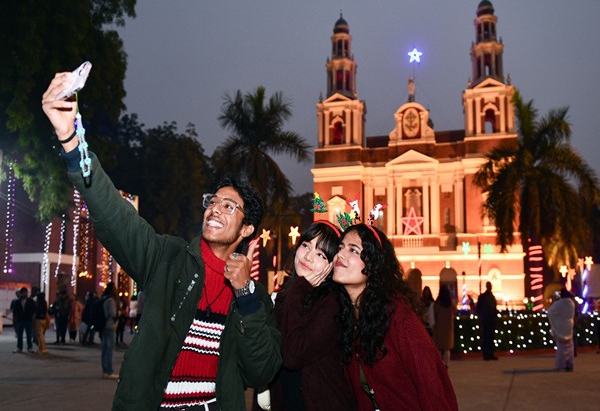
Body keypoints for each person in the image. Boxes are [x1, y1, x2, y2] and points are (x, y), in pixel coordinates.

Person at [41, 72, 281, 410]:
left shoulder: (254, 300)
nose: (214, 209)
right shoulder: (166, 259)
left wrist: (246, 297)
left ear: (247, 230)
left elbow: (261, 371)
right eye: (212, 201)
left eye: (229, 206)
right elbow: (114, 216)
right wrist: (70, 139)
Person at [332, 224, 457, 410]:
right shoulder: (347, 319)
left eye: (353, 250)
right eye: (340, 247)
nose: (340, 254)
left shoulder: (399, 317)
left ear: (373, 264)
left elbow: (433, 387)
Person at [268, 221, 356, 411]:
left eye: (320, 254)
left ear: (332, 265)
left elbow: (293, 354)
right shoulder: (285, 298)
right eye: (306, 246)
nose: (308, 257)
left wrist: (299, 288)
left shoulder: (333, 304)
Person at [547, 288, 575, 372]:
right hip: (569, 325)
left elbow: (550, 312)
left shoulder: (559, 304)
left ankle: (561, 365)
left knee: (561, 347)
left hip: (561, 326)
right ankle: (569, 363)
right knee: (570, 346)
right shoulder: (571, 303)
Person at [433, 284, 455, 367]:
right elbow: (455, 312)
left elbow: (434, 312)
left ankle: (440, 364)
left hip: (439, 326)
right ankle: (446, 364)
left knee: (439, 347)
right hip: (448, 327)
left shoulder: (438, 303)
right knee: (447, 348)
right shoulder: (450, 303)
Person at [101, 282, 119, 379]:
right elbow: (113, 314)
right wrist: (119, 313)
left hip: (104, 326)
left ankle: (105, 371)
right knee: (109, 350)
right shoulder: (111, 300)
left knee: (105, 350)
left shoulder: (104, 298)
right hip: (110, 326)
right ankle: (109, 371)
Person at [476, 281, 498, 360]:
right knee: (486, 337)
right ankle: (486, 354)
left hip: (491, 319)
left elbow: (494, 308)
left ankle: (491, 354)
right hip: (485, 319)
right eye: (489, 286)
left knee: (491, 337)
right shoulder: (483, 296)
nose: (490, 287)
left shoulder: (492, 296)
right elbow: (478, 308)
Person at [11, 287, 36, 353]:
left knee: (29, 335)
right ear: (21, 293)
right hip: (20, 320)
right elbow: (15, 313)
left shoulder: (31, 301)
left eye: (26, 293)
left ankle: (30, 347)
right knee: (19, 335)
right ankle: (19, 347)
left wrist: (33, 319)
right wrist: (14, 322)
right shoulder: (17, 302)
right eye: (24, 293)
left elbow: (34, 311)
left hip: (28, 320)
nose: (25, 294)